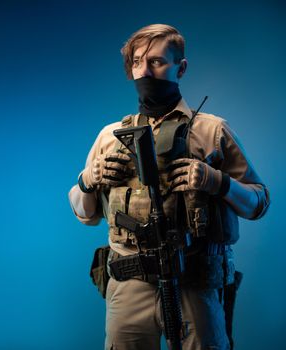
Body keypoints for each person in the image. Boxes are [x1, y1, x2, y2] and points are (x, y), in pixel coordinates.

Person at [68, 24, 270, 350]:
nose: (145, 71)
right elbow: (84, 214)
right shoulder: (110, 136)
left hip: (193, 282)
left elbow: (259, 202)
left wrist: (216, 182)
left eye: (157, 62)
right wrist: (87, 180)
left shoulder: (212, 131)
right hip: (129, 281)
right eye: (137, 62)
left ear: (181, 67)